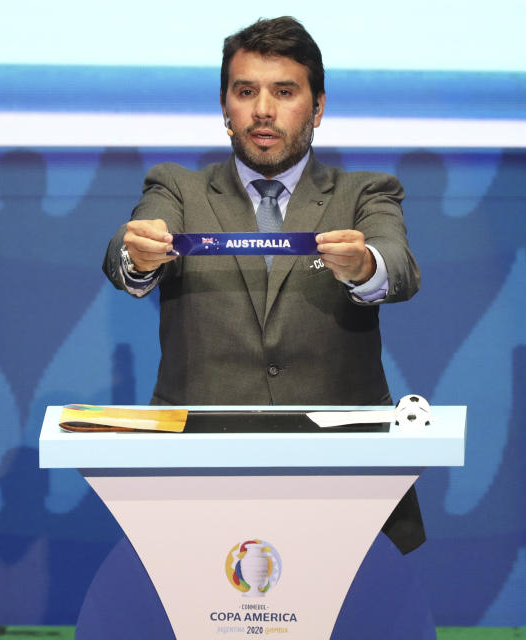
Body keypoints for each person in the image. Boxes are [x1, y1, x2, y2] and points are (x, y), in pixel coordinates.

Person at [103, 16, 424, 554]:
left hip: (339, 477)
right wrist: (137, 254)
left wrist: (364, 267)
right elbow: (128, 249)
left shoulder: (365, 192)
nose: (263, 110)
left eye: (284, 92)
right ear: (225, 107)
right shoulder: (177, 188)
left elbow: (399, 265)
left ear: (318, 107)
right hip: (200, 470)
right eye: (246, 91)